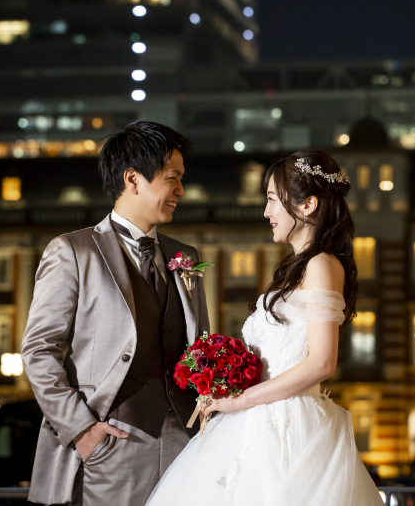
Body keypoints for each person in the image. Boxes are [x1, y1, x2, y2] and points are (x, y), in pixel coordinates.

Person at [146, 150, 384, 506]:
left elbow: (322, 363)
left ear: (307, 205)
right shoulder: (296, 270)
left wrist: (241, 400)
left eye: (272, 199)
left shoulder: (321, 265)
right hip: (258, 418)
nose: (266, 212)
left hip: (289, 424)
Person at [21, 121, 211, 506]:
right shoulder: (73, 251)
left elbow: (199, 347)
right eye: (172, 178)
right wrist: (82, 430)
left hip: (185, 443)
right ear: (133, 179)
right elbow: (38, 350)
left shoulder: (185, 257)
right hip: (110, 443)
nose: (181, 190)